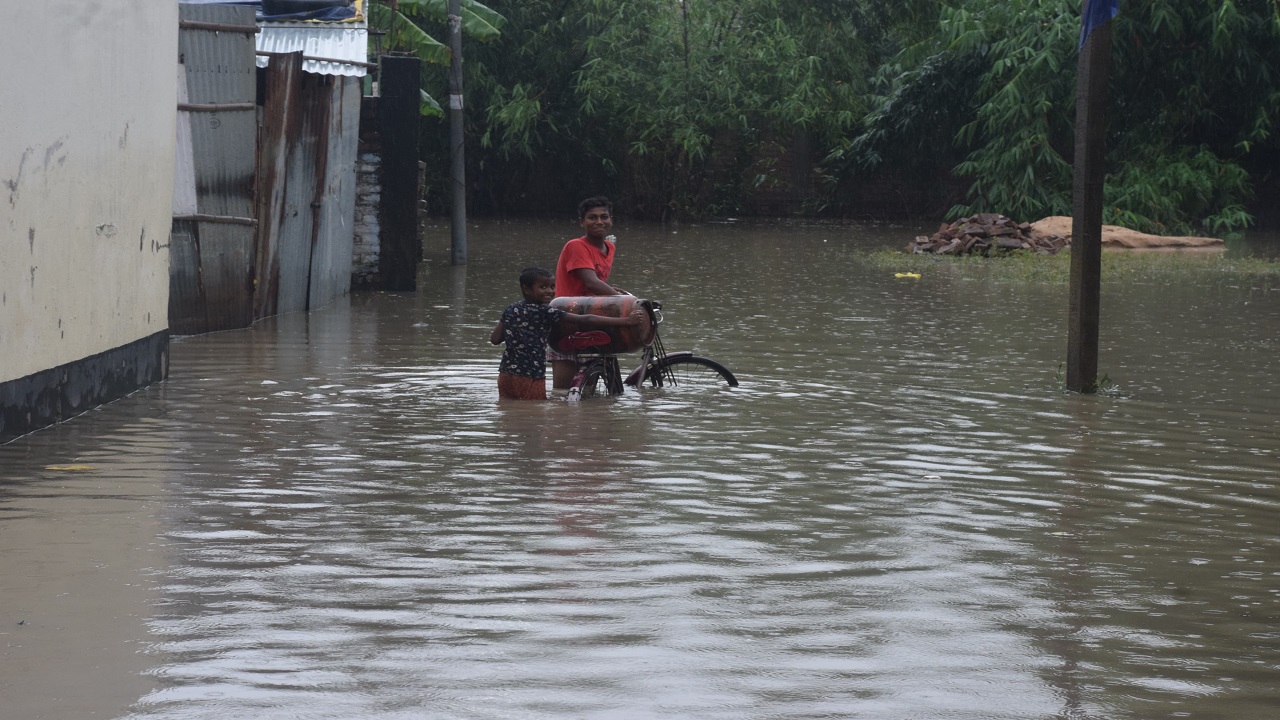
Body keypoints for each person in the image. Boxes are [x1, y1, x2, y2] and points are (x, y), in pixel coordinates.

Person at [491, 267, 643, 401]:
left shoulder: (511, 309)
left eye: (552, 286)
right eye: (543, 287)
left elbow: (495, 339)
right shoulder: (546, 312)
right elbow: (587, 319)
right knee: (533, 414)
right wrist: (626, 321)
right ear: (526, 289)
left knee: (507, 410)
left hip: (505, 373)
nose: (550, 291)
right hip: (530, 374)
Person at [551, 196, 627, 388]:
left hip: (592, 319)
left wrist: (612, 291)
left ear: (611, 220)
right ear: (582, 222)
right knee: (563, 392)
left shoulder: (609, 247)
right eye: (592, 218)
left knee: (589, 387)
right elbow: (591, 282)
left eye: (604, 217)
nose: (599, 222)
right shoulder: (576, 245)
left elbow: (596, 282)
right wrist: (625, 301)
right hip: (566, 319)